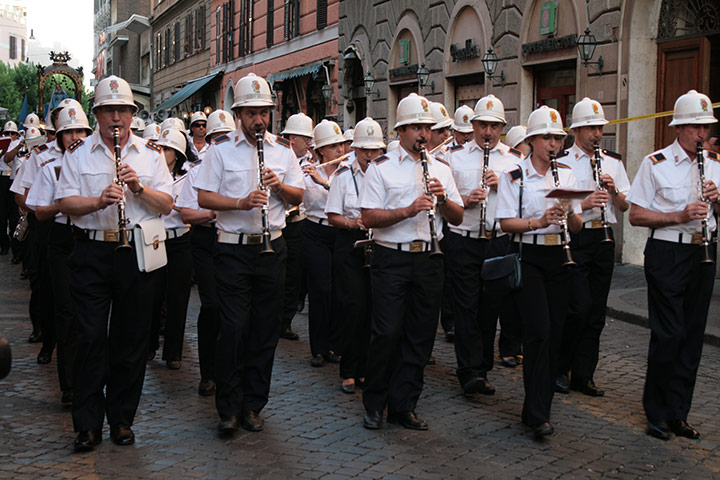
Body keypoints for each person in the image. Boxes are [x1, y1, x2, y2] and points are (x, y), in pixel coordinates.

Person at [56, 75, 173, 451]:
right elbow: (66, 205)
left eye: (122, 110)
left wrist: (138, 188)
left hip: (137, 250)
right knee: (90, 337)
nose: (116, 118)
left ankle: (122, 419)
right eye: (108, 110)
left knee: (131, 339)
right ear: (97, 115)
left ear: (132, 114)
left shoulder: (151, 156)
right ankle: (87, 424)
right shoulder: (78, 155)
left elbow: (167, 205)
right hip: (92, 250)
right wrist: (98, 201)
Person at [195, 73, 303, 434]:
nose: (259, 120)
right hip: (232, 250)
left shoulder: (283, 152)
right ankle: (227, 407)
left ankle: (254, 405)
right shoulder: (220, 150)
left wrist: (280, 187)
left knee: (264, 330)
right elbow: (204, 197)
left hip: (272, 247)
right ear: (238, 113)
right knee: (233, 328)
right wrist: (241, 202)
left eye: (264, 113)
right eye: (252, 113)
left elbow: (298, 196)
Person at [360, 93, 463, 430]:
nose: (423, 134)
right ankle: (375, 403)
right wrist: (408, 210)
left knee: (420, 335)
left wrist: (443, 199)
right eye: (416, 127)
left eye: (427, 128)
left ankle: (404, 405)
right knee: (386, 332)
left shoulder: (442, 169)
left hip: (430, 257)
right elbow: (369, 218)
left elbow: (458, 217)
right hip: (391, 257)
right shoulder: (381, 168)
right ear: (400, 131)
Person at [627, 90, 719, 441]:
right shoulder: (655, 163)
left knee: (692, 336)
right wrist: (678, 215)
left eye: (706, 127)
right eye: (696, 127)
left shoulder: (715, 166)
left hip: (703, 253)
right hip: (667, 253)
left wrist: (717, 201)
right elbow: (636, 215)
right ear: (680, 128)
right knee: (668, 334)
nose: (702, 134)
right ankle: (657, 412)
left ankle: (679, 413)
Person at [496, 105, 583, 438]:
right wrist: (540, 221)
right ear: (532, 140)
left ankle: (538, 407)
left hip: (559, 258)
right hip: (529, 256)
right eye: (546, 137)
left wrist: (570, 212)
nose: (553, 144)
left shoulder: (567, 175)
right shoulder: (514, 176)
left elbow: (575, 227)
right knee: (539, 332)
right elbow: (506, 223)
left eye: (557, 138)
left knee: (556, 333)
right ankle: (537, 413)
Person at [444, 94, 524, 394]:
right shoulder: (455, 157)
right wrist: (465, 200)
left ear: (501, 128)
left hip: (497, 242)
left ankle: (483, 367)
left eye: (494, 126)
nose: (487, 132)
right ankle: (469, 371)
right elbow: (445, 202)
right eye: (482, 125)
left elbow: (523, 202)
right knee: (466, 307)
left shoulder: (515, 161)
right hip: (464, 239)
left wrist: (501, 184)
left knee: (490, 307)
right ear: (473, 125)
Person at [556, 98, 631, 397]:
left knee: (596, 312)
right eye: (590, 128)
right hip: (577, 236)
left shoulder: (613, 161)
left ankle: (584, 374)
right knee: (577, 307)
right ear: (577, 130)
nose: (596, 134)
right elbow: (558, 204)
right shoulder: (562, 161)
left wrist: (613, 191)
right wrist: (584, 203)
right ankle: (561, 367)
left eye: (599, 128)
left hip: (603, 237)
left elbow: (625, 207)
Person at [25, 106, 92, 406]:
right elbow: (38, 211)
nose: (75, 137)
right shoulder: (48, 163)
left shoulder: (96, 159)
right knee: (66, 312)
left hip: (91, 239)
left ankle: (93, 380)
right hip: (62, 239)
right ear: (59, 135)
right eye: (69, 132)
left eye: (80, 131)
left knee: (90, 315)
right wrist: (64, 205)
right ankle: (70, 385)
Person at [176, 109, 235, 396]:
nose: (222, 142)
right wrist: (214, 210)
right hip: (206, 240)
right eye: (217, 138)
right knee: (211, 305)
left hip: (234, 240)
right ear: (208, 140)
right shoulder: (196, 172)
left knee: (233, 309)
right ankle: (208, 373)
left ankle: (229, 370)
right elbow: (187, 213)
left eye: (227, 137)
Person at [325, 117, 384, 394]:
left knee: (374, 308)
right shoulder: (342, 176)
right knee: (353, 308)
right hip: (350, 245)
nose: (370, 155)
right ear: (355, 150)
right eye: (365, 150)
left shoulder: (386, 174)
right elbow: (332, 216)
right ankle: (348, 369)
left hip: (379, 244)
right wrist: (354, 223)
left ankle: (366, 369)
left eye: (374, 150)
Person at [302, 119, 346, 367]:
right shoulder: (307, 173)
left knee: (341, 290)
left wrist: (324, 183)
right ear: (320, 150)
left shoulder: (347, 171)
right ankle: (318, 348)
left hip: (339, 232)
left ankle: (336, 345)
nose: (339, 150)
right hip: (315, 232)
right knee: (321, 289)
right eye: (332, 146)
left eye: (340, 145)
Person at [152, 128, 193, 370]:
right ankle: (148, 344)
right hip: (156, 238)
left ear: (177, 154)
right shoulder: (150, 174)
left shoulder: (188, 177)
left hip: (179, 239)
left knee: (178, 297)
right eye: (159, 147)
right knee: (152, 294)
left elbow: (194, 208)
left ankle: (173, 352)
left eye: (166, 148)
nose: (161, 152)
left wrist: (176, 207)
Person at [279, 112, 314, 341]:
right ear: (293, 139)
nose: (310, 144)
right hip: (279, 224)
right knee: (277, 275)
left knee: (294, 276)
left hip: (298, 224)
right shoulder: (278, 158)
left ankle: (286, 321)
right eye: (306, 139)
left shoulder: (313, 163)